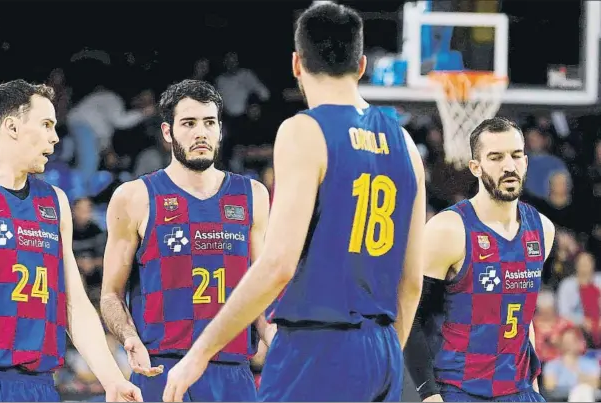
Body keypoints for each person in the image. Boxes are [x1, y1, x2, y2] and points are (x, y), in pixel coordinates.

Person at [162, 2, 427, 402]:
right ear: (360, 65)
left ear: (296, 64)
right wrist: (383, 354)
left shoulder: (304, 131)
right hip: (384, 347)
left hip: (316, 348)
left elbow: (278, 265)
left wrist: (199, 352)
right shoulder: (405, 144)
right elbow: (412, 282)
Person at [0, 79, 143, 403]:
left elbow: (74, 304)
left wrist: (112, 380)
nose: (54, 137)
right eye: (46, 124)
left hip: (39, 386)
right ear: (12, 126)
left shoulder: (56, 202)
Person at [99, 79, 274, 402]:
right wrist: (128, 337)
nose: (201, 133)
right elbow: (111, 294)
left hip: (231, 371)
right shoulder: (134, 197)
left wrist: (274, 338)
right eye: (189, 123)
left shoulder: (253, 196)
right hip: (160, 370)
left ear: (220, 130)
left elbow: (260, 290)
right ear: (168, 133)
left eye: (209, 123)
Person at [405, 117, 556, 403]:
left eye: (516, 155)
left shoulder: (543, 230)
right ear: (475, 167)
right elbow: (411, 315)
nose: (509, 166)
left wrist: (533, 387)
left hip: (520, 392)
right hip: (461, 391)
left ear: (525, 161)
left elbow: (524, 315)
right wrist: (429, 394)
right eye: (495, 157)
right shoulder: (449, 228)